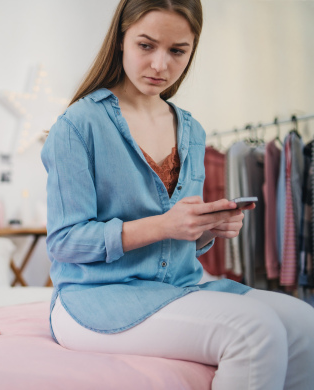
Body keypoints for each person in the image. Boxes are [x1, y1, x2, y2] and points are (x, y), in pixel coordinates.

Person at [40, 1, 314, 389]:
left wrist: (206, 229)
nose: (159, 66)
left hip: (178, 288)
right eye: (146, 46)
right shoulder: (78, 125)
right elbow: (65, 242)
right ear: (121, 40)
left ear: (192, 50)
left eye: (177, 51)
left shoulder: (192, 130)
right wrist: (163, 225)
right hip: (97, 299)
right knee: (254, 330)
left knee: (305, 322)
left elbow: (179, 247)